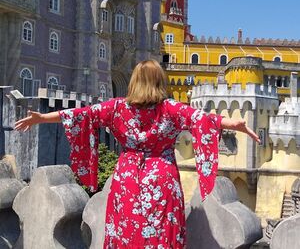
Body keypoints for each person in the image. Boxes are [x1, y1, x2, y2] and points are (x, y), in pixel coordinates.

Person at [15, 60, 259, 248]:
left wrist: (42, 118)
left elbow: (81, 114)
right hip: (162, 181)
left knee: (125, 232)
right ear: (158, 82)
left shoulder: (117, 108)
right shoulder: (170, 109)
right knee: (162, 234)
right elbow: (202, 119)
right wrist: (232, 124)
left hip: (127, 180)